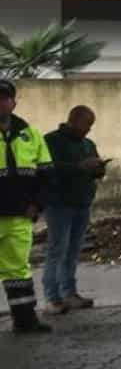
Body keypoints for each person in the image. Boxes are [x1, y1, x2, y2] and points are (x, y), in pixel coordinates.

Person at [0, 80, 53, 333]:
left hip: (20, 216)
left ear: (13, 102)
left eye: (4, 97)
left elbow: (46, 176)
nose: (0, 102)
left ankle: (24, 320)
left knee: (18, 270)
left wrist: (36, 204)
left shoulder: (31, 134)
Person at [43, 106, 104, 314]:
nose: (88, 130)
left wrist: (98, 168)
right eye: (87, 124)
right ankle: (52, 297)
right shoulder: (51, 141)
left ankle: (69, 292)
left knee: (72, 251)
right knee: (57, 250)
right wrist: (79, 167)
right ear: (73, 120)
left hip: (82, 202)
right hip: (59, 203)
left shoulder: (88, 144)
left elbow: (94, 169)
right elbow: (47, 168)